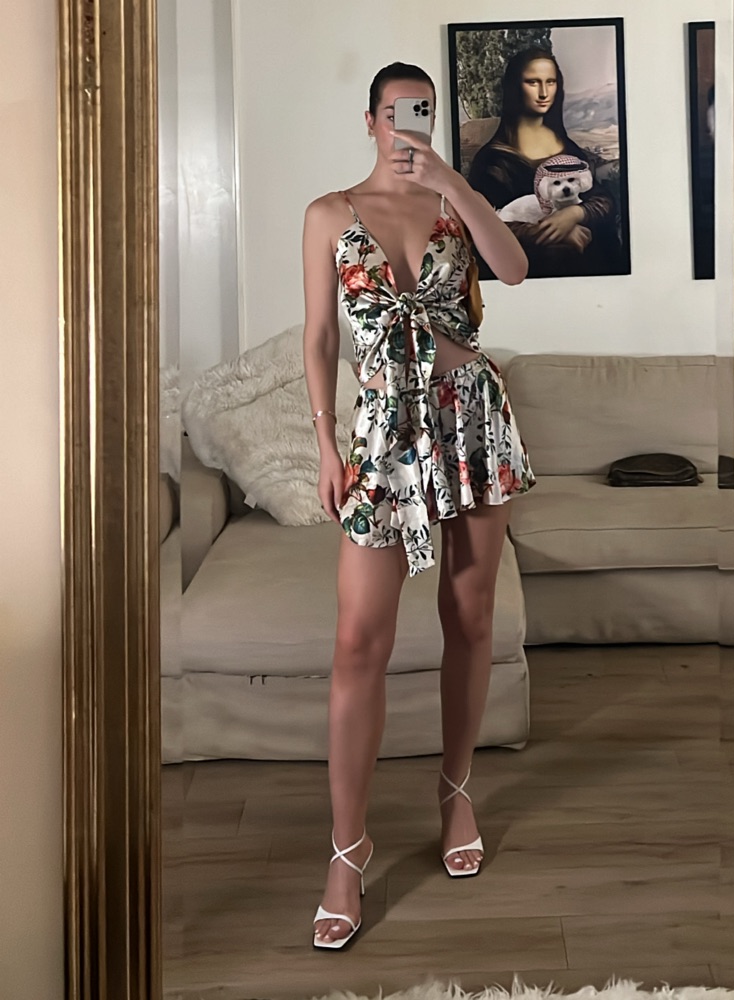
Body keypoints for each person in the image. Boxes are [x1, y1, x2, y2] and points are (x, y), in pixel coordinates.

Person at [302, 61, 536, 950]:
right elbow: (320, 337)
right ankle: (347, 851)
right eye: (397, 111)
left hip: (471, 417)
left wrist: (455, 184)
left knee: (469, 618)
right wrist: (326, 444)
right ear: (370, 119)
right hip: (384, 431)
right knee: (358, 639)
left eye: (425, 110)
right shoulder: (329, 213)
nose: (410, 122)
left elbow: (514, 270)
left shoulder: (452, 201)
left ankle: (456, 791)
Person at [467, 47, 621, 278]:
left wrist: (575, 214)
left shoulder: (568, 149)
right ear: (515, 87)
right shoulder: (492, 161)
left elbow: (601, 200)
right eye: (532, 82)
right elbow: (482, 226)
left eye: (550, 82)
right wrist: (553, 231)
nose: (543, 93)